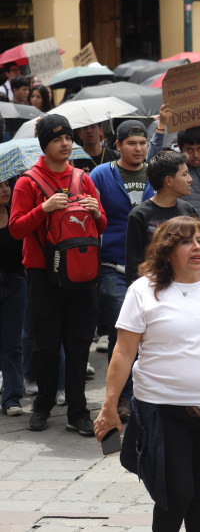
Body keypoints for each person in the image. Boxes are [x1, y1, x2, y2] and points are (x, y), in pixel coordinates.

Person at [94, 216, 200, 531]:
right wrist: (109, 405)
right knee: (176, 493)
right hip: (163, 411)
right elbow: (123, 352)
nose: (197, 248)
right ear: (166, 250)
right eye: (186, 241)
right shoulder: (144, 291)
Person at [10, 114, 107, 435]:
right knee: (46, 345)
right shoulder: (28, 181)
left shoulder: (83, 176)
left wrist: (96, 212)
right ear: (45, 145)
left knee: (80, 345)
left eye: (68, 137)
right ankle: (43, 406)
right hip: (43, 276)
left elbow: (101, 225)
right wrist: (45, 208)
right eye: (57, 139)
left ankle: (77, 411)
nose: (65, 144)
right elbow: (15, 228)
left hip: (83, 275)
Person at [90, 120, 155, 422]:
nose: (138, 148)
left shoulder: (155, 172)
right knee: (124, 330)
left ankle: (148, 393)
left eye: (142, 142)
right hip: (112, 266)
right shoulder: (102, 174)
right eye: (131, 143)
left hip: (153, 268)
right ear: (117, 145)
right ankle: (122, 397)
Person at [125, 150, 196, 286]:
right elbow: (134, 265)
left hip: (187, 283)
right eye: (185, 174)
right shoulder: (139, 215)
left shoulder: (188, 210)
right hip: (155, 286)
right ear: (169, 180)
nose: (190, 179)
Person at [0, 178, 25, 417]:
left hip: (15, 283)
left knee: (12, 344)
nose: (5, 190)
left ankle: (12, 396)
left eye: (7, 184)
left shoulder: (16, 215)